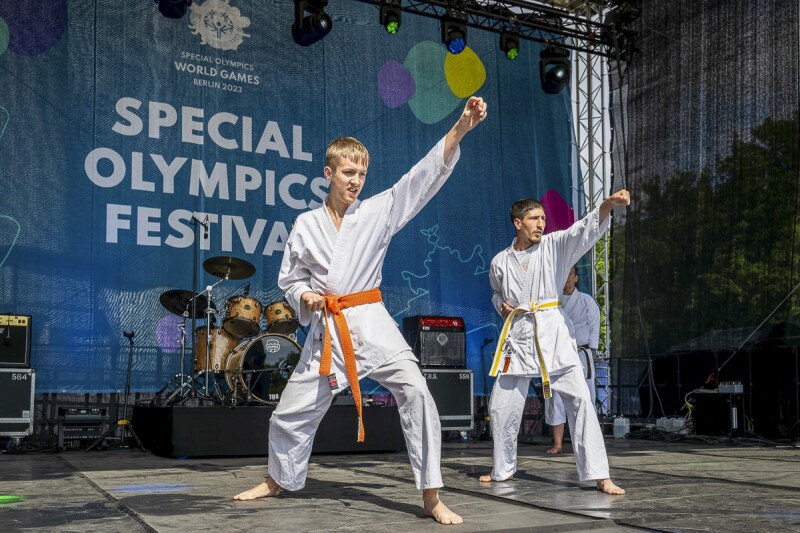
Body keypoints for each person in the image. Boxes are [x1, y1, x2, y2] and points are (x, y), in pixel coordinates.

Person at [233, 96, 488, 525]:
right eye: (348, 173)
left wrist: (460, 127)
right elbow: (290, 280)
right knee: (287, 416)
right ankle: (277, 480)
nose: (356, 181)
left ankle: (431, 496)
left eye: (362, 174)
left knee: (419, 395)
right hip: (329, 333)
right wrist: (304, 298)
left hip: (372, 322)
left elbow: (420, 178)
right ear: (328, 173)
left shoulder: (377, 212)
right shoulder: (306, 225)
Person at [479, 192, 628, 495]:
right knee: (501, 407)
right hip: (519, 334)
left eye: (543, 218)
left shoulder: (555, 246)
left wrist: (607, 206)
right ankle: (503, 469)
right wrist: (502, 306)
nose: (541, 223)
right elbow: (496, 293)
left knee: (581, 401)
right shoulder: (499, 262)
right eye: (535, 218)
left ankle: (599, 474)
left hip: (553, 333)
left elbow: (583, 230)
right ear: (518, 223)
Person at [546, 265, 600, 455]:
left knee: (586, 397)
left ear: (576, 278)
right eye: (564, 275)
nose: (567, 279)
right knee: (555, 398)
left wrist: (592, 350)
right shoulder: (552, 302)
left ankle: (588, 441)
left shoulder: (586, 301)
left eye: (570, 275)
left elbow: (594, 326)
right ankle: (558, 443)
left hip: (581, 354)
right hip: (558, 354)